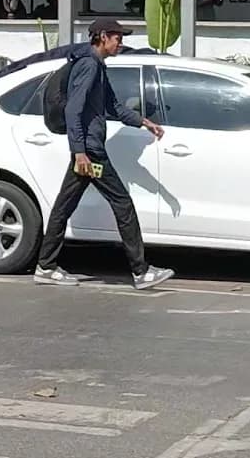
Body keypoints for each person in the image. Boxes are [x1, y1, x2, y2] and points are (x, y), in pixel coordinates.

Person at [34, 18, 174, 290]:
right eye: (116, 37)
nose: (120, 42)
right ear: (101, 37)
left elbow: (113, 107)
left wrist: (143, 122)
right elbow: (73, 111)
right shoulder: (88, 66)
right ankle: (140, 271)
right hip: (91, 153)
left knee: (63, 207)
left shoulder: (97, 66)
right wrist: (80, 153)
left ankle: (45, 266)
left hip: (87, 152)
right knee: (122, 203)